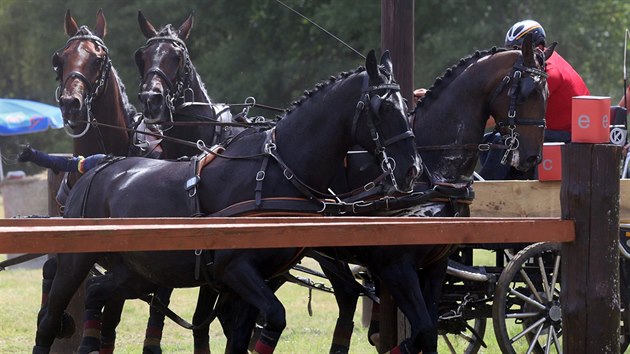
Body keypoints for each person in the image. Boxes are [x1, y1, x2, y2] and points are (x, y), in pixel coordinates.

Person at [478, 19, 591, 180]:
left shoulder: (547, 74)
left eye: (518, 50)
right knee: (489, 139)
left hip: (568, 137)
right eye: (510, 51)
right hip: (552, 132)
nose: (514, 56)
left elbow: (503, 114)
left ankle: (487, 192)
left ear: (538, 47)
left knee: (502, 140)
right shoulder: (541, 64)